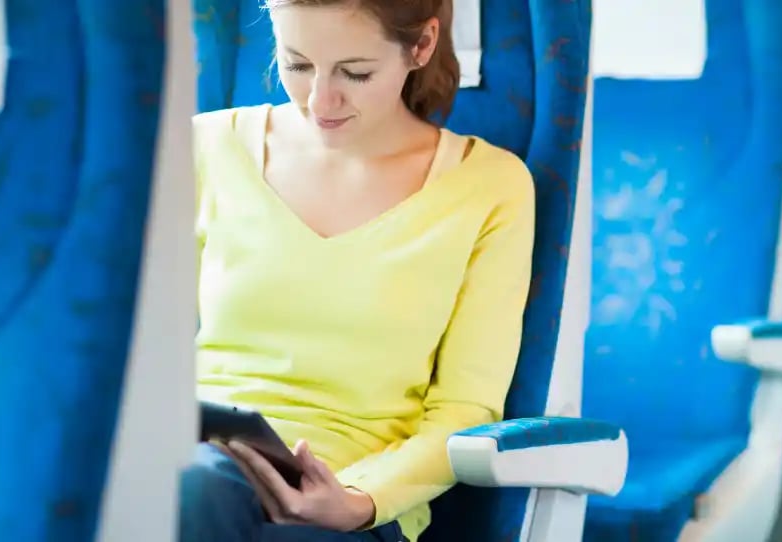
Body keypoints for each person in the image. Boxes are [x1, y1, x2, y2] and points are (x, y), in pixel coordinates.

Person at [182, 0, 535, 540]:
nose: (321, 100)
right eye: (297, 65)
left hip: (341, 510)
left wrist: (359, 501)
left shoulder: (489, 187)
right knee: (189, 484)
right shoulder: (205, 147)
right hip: (193, 463)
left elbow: (465, 409)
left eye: (356, 72)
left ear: (420, 46)